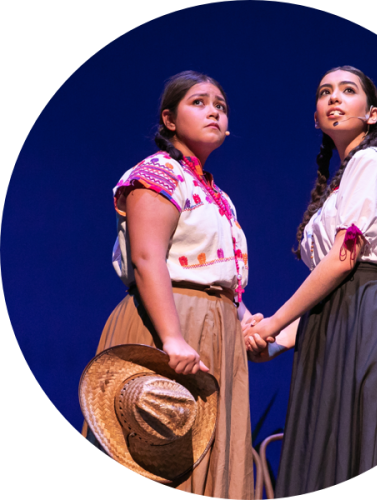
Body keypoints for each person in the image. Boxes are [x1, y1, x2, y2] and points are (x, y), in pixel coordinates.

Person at [244, 66, 377, 495]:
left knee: (365, 440)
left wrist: (273, 322)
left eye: (347, 91)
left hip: (365, 314)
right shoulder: (344, 180)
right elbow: (329, 283)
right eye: (325, 92)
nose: (334, 98)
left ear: (371, 113)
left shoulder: (372, 162)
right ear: (315, 118)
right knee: (333, 451)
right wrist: (277, 341)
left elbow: (342, 261)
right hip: (337, 320)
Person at [81, 71, 255, 499]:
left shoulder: (218, 196)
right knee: (158, 449)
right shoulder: (158, 172)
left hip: (217, 329)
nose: (214, 109)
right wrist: (172, 337)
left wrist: (248, 324)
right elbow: (146, 257)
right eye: (199, 102)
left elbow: (221, 277)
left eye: (221, 105)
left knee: (212, 465)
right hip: (169, 319)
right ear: (169, 120)